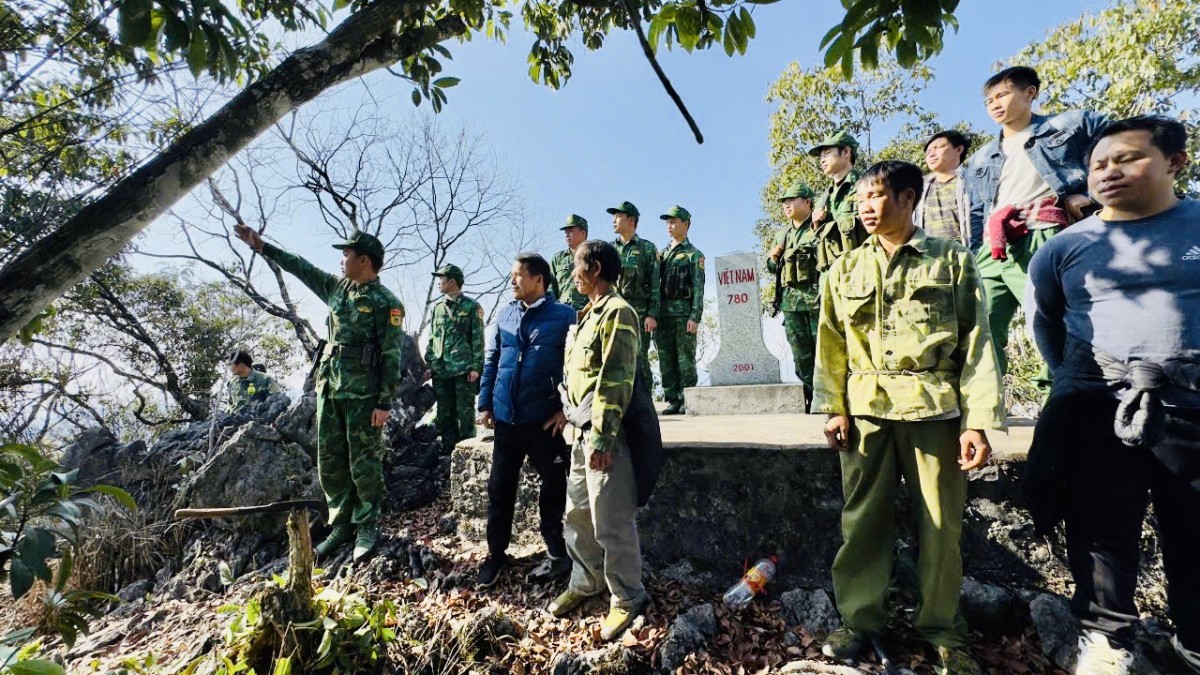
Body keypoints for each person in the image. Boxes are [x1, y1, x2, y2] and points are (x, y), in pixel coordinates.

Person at [812, 161, 1005, 675]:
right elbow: (830, 344)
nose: (865, 208)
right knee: (862, 523)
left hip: (933, 408)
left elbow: (977, 342)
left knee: (940, 526)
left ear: (908, 198)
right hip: (867, 413)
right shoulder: (844, 269)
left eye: (876, 197)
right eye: (860, 200)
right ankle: (861, 619)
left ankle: (942, 629)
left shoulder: (950, 261)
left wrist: (977, 421)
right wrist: (834, 406)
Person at [1025, 116, 1200, 675]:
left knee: (1194, 529)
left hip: (1192, 407)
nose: (1108, 172)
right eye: (1099, 164)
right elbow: (1047, 323)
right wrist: (1077, 384)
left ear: (1175, 162)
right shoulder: (1065, 248)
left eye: (1126, 158)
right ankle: (1107, 638)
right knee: (1101, 527)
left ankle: (1193, 641)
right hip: (1101, 404)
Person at [233, 225, 405, 560]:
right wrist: (264, 247)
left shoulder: (387, 304)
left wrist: (385, 401)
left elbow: (391, 355)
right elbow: (301, 267)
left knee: (364, 459)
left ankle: (367, 524)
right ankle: (341, 523)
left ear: (364, 260)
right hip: (330, 386)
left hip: (363, 393)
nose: (342, 260)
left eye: (347, 255)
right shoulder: (336, 288)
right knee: (330, 460)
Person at [963, 66, 1109, 377]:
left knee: (1047, 321)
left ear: (1030, 93)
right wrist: (976, 253)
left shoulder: (1069, 124)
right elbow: (977, 212)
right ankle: (984, 408)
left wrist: (1090, 195)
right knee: (980, 326)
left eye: (1002, 95)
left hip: (1041, 233)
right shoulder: (980, 158)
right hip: (993, 245)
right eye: (989, 101)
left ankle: (1058, 402)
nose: (995, 105)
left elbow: (1120, 146)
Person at [548, 239, 648, 643]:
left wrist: (604, 440)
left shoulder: (619, 312)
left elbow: (615, 379)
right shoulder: (587, 315)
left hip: (605, 435)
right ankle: (586, 580)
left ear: (596, 268)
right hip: (580, 431)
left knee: (610, 519)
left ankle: (626, 595)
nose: (573, 273)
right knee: (577, 514)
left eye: (578, 265)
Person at [475, 252, 577, 589]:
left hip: (543, 421)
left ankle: (556, 548)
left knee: (554, 483)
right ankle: (496, 554)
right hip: (506, 420)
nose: (513, 281)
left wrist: (566, 410)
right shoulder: (505, 315)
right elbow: (492, 361)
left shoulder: (564, 316)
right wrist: (485, 403)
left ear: (538, 279)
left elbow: (577, 368)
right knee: (499, 489)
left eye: (518, 275)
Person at [767, 181, 820, 410]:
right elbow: (772, 268)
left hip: (817, 300)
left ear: (807, 202)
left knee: (823, 352)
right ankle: (811, 393)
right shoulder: (782, 234)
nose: (787, 205)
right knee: (800, 354)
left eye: (792, 200)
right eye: (785, 202)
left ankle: (826, 396)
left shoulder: (820, 226)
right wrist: (773, 258)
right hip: (791, 303)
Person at [426, 264, 485, 455]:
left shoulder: (471, 307)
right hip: (441, 369)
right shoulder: (438, 309)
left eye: (441, 279)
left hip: (463, 369)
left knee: (465, 413)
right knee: (444, 413)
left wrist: (476, 367)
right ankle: (448, 452)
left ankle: (468, 452)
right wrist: (429, 363)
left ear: (452, 281)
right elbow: (432, 338)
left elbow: (477, 339)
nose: (438, 283)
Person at [655, 205, 705, 415]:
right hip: (663, 315)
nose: (670, 225)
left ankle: (688, 398)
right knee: (665, 359)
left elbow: (698, 287)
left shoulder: (694, 255)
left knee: (685, 360)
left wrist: (695, 316)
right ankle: (673, 398)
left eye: (674, 221)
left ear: (686, 224)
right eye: (668, 222)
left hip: (684, 314)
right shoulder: (661, 254)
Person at [608, 201, 660, 390]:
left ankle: (645, 400)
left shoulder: (647, 248)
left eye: (618, 216)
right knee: (614, 355)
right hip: (614, 312)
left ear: (631, 220)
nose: (614, 220)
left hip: (639, 313)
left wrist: (652, 314)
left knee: (639, 357)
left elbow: (655, 284)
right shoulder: (608, 250)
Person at [809, 130, 869, 276]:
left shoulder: (867, 186)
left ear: (846, 152)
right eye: (821, 156)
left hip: (861, 271)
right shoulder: (823, 199)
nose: (822, 160)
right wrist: (815, 225)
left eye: (827, 153)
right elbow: (813, 246)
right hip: (831, 277)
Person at [917, 129, 972, 246]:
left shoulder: (973, 181)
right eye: (928, 152)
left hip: (967, 257)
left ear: (958, 149)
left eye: (939, 147)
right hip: (928, 258)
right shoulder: (918, 186)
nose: (931, 154)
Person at [550, 214, 591, 311]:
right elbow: (550, 287)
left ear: (583, 233)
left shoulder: (594, 257)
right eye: (565, 231)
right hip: (561, 311)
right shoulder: (557, 259)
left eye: (571, 230)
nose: (567, 234)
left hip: (586, 311)